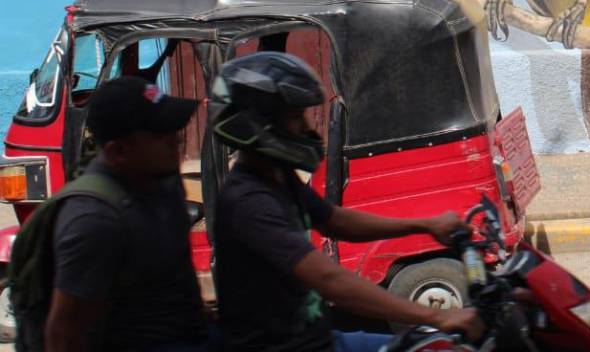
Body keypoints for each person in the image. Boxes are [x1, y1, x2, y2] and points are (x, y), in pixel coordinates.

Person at [210, 52, 484, 352]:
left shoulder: (278, 178)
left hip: (323, 339)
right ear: (256, 125)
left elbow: (334, 220)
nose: (306, 128)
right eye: (294, 118)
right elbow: (330, 281)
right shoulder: (249, 203)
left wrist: (423, 224)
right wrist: (437, 316)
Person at [44, 75, 209, 352]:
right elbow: (63, 333)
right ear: (119, 151)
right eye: (161, 134)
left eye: (174, 129)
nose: (176, 141)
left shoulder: (163, 180)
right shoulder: (93, 221)